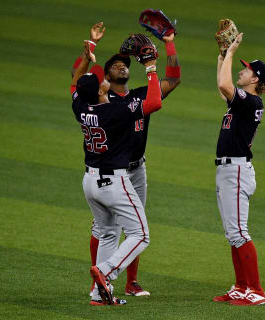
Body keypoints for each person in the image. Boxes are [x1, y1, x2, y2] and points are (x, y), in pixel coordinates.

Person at [73, 22, 181, 297]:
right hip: (116, 177)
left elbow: (76, 82)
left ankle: (104, 291)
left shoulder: (82, 105)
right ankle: (106, 273)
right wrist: (151, 66)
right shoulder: (116, 109)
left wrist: (89, 50)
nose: (122, 66)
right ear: (104, 80)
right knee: (139, 233)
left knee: (109, 231)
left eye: (125, 63)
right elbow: (155, 102)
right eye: (114, 66)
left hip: (98, 177)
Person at [213, 33, 265, 306]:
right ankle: (240, 286)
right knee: (232, 234)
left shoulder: (251, 102)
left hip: (236, 172)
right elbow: (222, 85)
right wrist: (223, 55)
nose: (241, 70)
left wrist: (232, 51)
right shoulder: (243, 101)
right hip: (228, 171)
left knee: (240, 233)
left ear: (255, 79)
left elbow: (225, 85)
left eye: (246, 69)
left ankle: (256, 290)